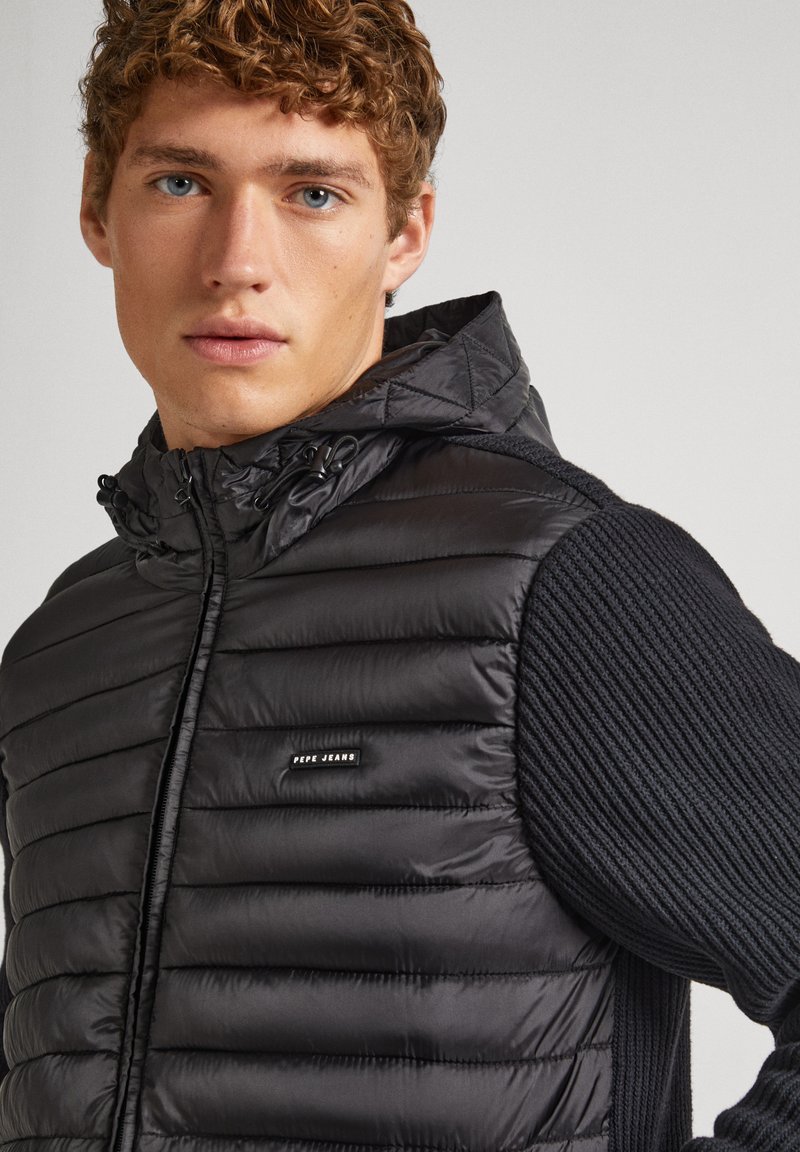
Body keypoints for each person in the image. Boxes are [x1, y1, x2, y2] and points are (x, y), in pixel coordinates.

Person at [0, 1, 797, 1149]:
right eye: (180, 182)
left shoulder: (556, 582)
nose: (236, 263)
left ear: (405, 233)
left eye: (311, 194)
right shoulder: (67, 643)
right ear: (96, 208)